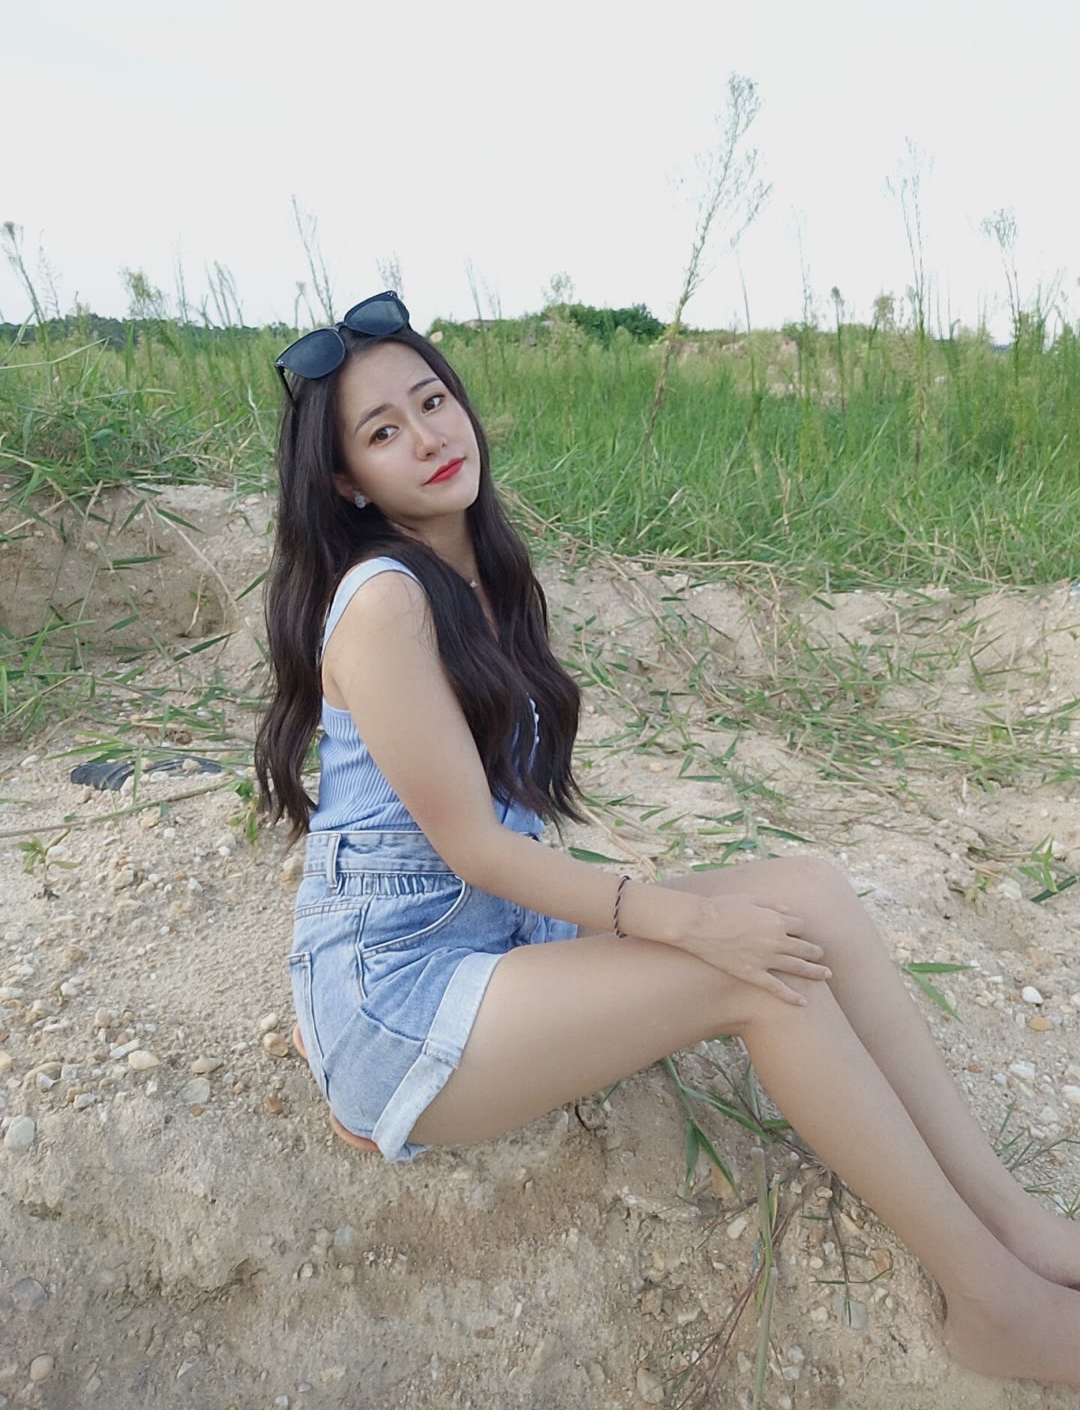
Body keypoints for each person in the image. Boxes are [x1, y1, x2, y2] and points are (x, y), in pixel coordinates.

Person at [255, 292, 1080, 1387]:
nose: (429, 436)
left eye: (433, 400)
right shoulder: (385, 606)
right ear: (348, 481)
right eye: (383, 430)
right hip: (403, 998)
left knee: (809, 894)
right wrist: (684, 922)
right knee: (750, 974)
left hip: (491, 941)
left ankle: (1016, 1226)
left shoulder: (475, 573)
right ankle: (993, 1304)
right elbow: (477, 851)